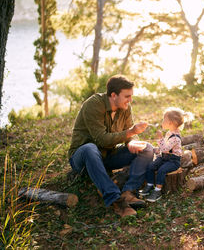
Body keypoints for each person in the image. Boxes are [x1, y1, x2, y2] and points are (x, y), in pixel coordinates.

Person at [68, 75, 154, 217]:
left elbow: (129, 133)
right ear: (113, 95)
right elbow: (101, 140)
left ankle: (128, 192)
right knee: (90, 148)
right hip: (83, 158)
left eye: (131, 96)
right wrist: (131, 132)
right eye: (127, 96)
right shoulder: (94, 104)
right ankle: (115, 200)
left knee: (147, 148)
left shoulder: (125, 107)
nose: (130, 100)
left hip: (107, 156)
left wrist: (132, 141)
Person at [139, 107, 190, 202]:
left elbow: (165, 148)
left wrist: (160, 138)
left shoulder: (175, 137)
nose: (162, 121)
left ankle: (157, 191)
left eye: (164, 119)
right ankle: (150, 184)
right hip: (165, 157)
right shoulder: (169, 133)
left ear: (170, 122)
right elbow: (165, 148)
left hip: (173, 161)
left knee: (162, 170)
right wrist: (157, 150)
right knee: (151, 166)